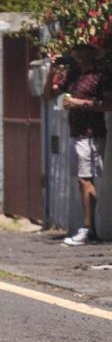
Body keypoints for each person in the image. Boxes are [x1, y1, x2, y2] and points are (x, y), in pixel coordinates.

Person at [48, 44, 111, 245]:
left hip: (92, 133)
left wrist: (77, 103)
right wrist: (51, 71)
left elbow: (108, 105)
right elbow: (49, 94)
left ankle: (89, 229)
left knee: (86, 179)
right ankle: (88, 227)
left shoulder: (100, 75)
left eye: (84, 51)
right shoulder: (74, 74)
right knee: (81, 180)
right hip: (76, 132)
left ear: (93, 53)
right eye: (77, 51)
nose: (80, 55)